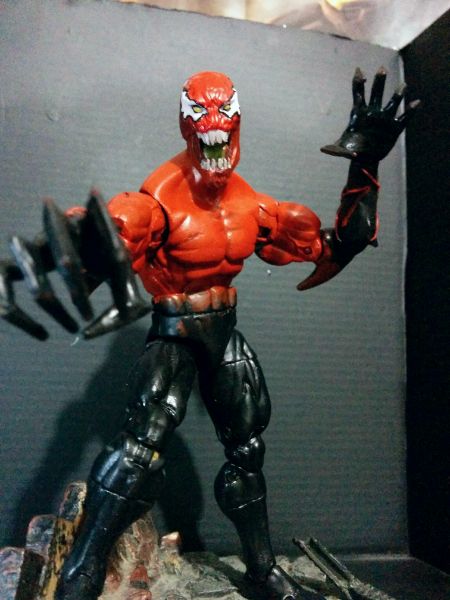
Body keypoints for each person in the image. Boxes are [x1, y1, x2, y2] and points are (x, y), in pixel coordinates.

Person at [1, 69, 417, 600]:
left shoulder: (255, 206)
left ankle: (261, 568)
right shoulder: (154, 203)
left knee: (247, 449)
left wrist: (366, 163)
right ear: (185, 123)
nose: (214, 124)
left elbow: (339, 245)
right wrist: (64, 247)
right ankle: (81, 574)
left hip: (224, 333)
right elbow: (104, 235)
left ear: (238, 121)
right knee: (137, 453)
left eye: (225, 113)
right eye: (201, 114)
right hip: (173, 334)